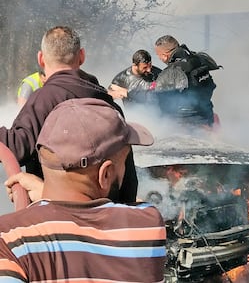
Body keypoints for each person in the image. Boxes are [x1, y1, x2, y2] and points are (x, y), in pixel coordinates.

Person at [0, 98, 166, 282]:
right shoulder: (148, 223)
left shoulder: (7, 240)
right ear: (105, 175)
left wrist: (44, 199)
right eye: (124, 162)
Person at [0, 26, 138, 203]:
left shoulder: (44, 99)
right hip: (110, 214)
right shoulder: (107, 103)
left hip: (58, 216)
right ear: (81, 56)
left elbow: (17, 148)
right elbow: (128, 177)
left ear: (41, 59)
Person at [154, 35, 221, 127]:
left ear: (165, 56)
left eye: (158, 55)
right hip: (207, 115)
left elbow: (160, 102)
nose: (159, 58)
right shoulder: (199, 58)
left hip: (185, 124)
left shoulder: (171, 72)